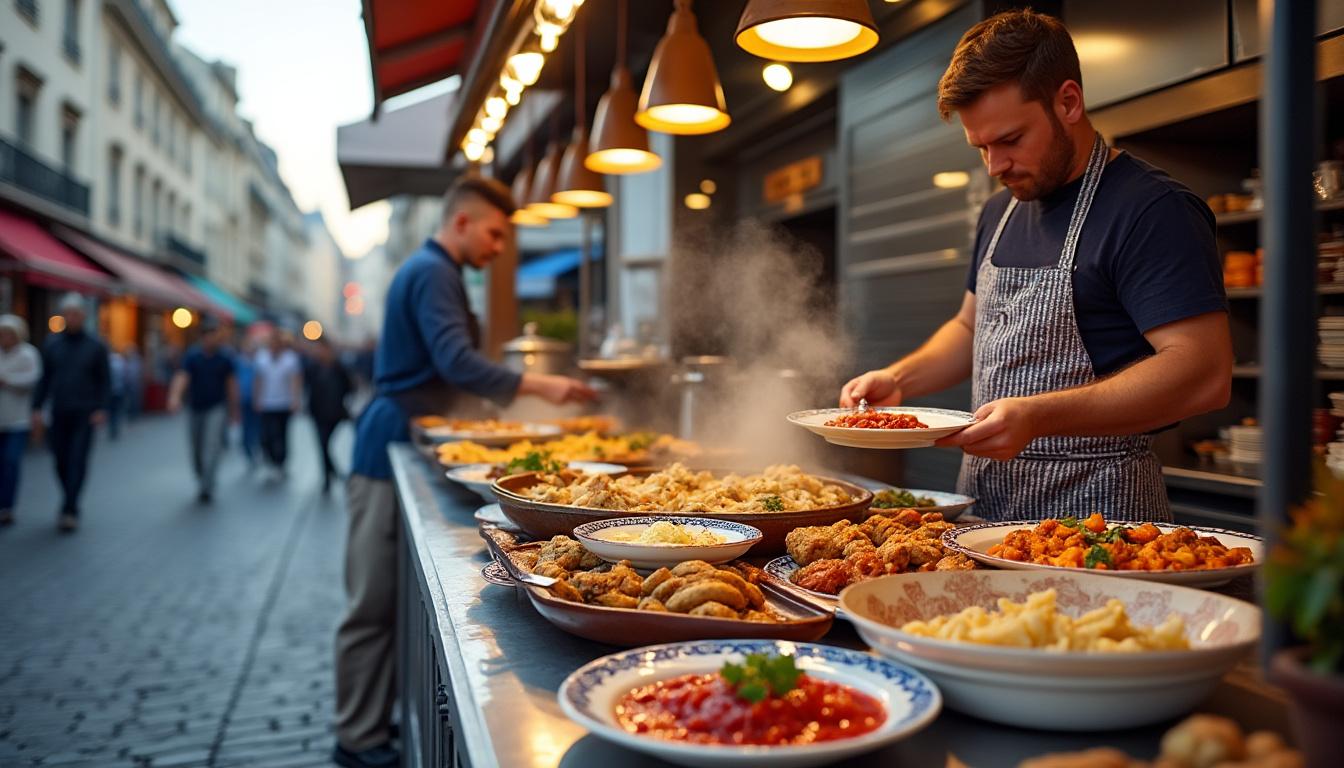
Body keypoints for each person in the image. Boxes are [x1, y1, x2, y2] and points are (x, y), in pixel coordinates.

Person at [839, 9, 1231, 522]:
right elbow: (971, 327)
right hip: (983, 510)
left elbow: (1204, 373)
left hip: (1099, 518)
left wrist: (1038, 416)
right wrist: (899, 379)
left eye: (1010, 140)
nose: (995, 166)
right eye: (981, 147)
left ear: (1068, 101)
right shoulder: (998, 210)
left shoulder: (1152, 209)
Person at [333, 177, 596, 768]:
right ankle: (356, 738)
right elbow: (455, 361)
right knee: (371, 600)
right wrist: (542, 385)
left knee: (381, 598)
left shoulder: (435, 271)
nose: (499, 248)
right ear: (461, 223)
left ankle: (370, 725)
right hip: (386, 443)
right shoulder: (434, 272)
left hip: (400, 432)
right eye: (495, 234)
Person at [32, 293, 111, 532]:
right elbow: (45, 379)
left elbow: (104, 380)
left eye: (76, 314)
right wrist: (37, 407)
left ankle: (70, 508)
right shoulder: (53, 344)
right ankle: (69, 497)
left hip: (85, 413)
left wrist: (101, 407)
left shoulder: (96, 346)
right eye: (68, 314)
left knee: (78, 459)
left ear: (83, 316)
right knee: (60, 460)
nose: (72, 318)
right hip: (59, 410)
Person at [168, 319, 240, 503]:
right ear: (203, 337)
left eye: (214, 335)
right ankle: (202, 476)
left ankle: (207, 484)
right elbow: (183, 376)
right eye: (208, 335)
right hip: (195, 408)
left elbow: (231, 385)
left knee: (212, 446)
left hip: (216, 407)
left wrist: (234, 410)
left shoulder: (225, 358)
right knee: (197, 448)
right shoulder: (193, 356)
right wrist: (175, 396)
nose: (211, 339)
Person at [0, 315, 41, 526]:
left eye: (8, 334)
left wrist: (8, 381)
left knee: (10, 461)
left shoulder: (28, 354)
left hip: (17, 419)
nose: (5, 338)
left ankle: (7, 506)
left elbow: (33, 379)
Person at [305, 337, 353, 493]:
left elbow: (349, 387)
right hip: (318, 412)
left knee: (326, 444)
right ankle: (328, 475)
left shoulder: (338, 367)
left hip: (334, 413)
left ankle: (332, 472)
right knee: (323, 444)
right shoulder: (312, 367)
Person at [253, 330, 302, 477]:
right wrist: (257, 398)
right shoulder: (261, 358)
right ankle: (269, 458)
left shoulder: (290, 359)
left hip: (283, 404)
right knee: (266, 434)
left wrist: (295, 400)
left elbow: (295, 380)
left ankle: (280, 461)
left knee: (281, 434)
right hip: (266, 403)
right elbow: (258, 380)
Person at [235, 332, 261, 467]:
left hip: (257, 399)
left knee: (256, 426)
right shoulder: (238, 362)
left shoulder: (258, 361)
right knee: (246, 426)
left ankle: (255, 448)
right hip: (243, 398)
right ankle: (248, 450)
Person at [106, 349, 127, 440]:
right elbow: (124, 376)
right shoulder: (120, 363)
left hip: (110, 391)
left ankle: (112, 429)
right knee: (116, 410)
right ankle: (115, 428)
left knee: (111, 411)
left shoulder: (108, 363)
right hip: (119, 390)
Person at [123, 344, 144, 421]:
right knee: (129, 399)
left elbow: (139, 372)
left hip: (135, 383)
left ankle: (135, 413)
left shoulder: (137, 360)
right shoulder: (125, 360)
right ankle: (130, 413)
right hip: (128, 383)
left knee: (135, 399)